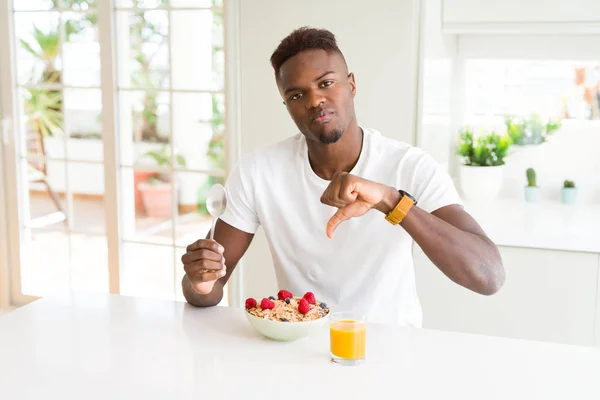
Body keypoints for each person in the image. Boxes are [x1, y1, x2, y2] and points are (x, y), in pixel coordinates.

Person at [181, 27, 504, 326]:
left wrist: (390, 200)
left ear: (351, 83)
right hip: (298, 347)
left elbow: (488, 276)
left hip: (391, 352)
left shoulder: (410, 166)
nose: (315, 100)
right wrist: (200, 280)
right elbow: (207, 292)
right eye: (296, 95)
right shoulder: (258, 171)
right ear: (286, 105)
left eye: (325, 83)